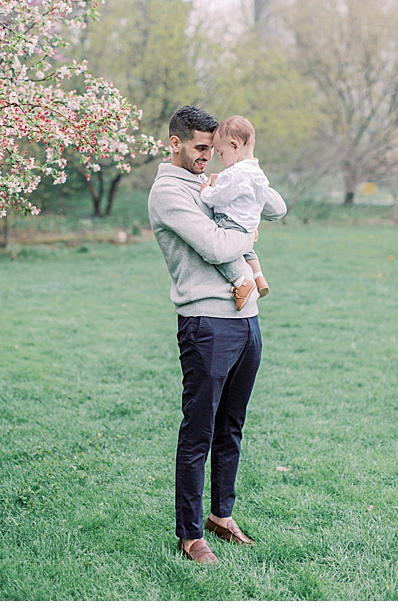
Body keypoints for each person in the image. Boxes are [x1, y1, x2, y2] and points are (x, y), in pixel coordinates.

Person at [148, 105, 287, 564]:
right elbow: (215, 246)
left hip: (245, 319)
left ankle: (221, 516)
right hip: (206, 322)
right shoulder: (169, 193)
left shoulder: (222, 179)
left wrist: (252, 182)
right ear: (176, 143)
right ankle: (189, 534)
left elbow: (269, 207)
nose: (209, 156)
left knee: (232, 425)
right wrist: (250, 229)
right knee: (199, 431)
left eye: (214, 148)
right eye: (200, 148)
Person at [199, 115, 271, 311]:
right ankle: (258, 276)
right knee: (248, 250)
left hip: (230, 222)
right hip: (248, 224)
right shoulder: (259, 175)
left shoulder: (236, 173)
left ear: (235, 145)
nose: (220, 158)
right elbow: (259, 202)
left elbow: (219, 197)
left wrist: (206, 190)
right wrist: (253, 225)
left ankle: (240, 282)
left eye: (221, 153)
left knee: (218, 253)